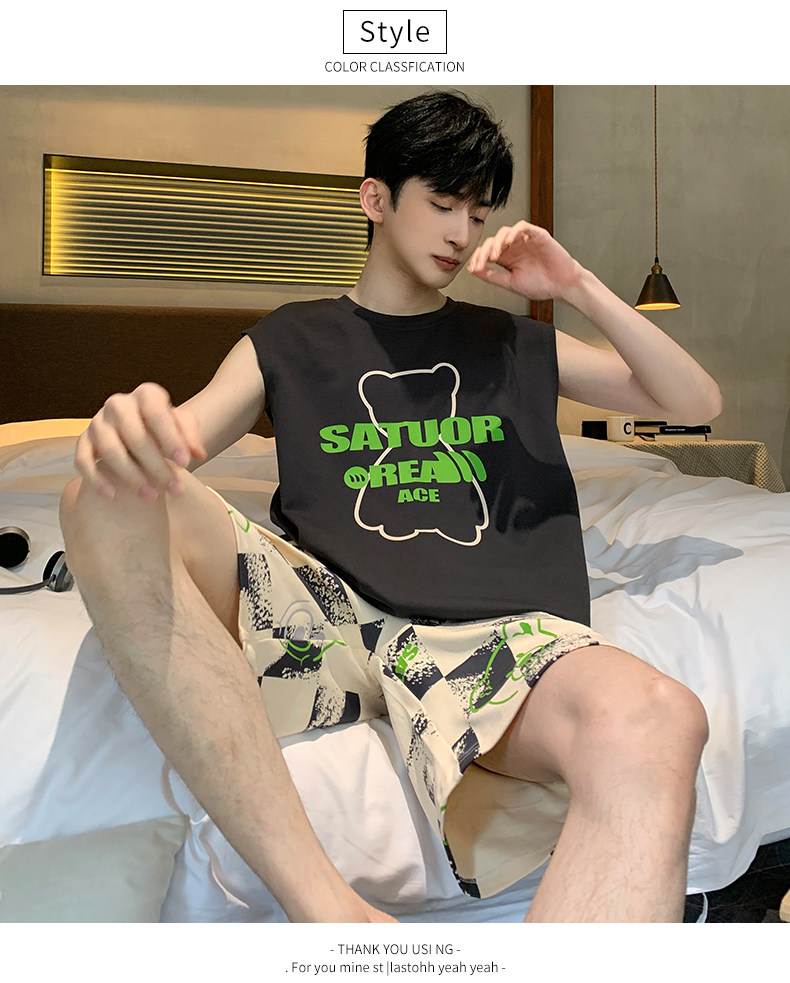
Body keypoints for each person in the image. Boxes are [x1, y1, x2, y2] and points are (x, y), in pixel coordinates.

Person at [59, 90, 720, 923]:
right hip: (326, 616)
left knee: (662, 716)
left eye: (477, 212)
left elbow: (695, 401)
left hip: (496, 638)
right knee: (101, 491)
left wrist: (576, 285)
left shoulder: (512, 343)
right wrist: (128, 430)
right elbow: (177, 441)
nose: (461, 232)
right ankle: (325, 905)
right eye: (442, 203)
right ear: (376, 198)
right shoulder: (289, 339)